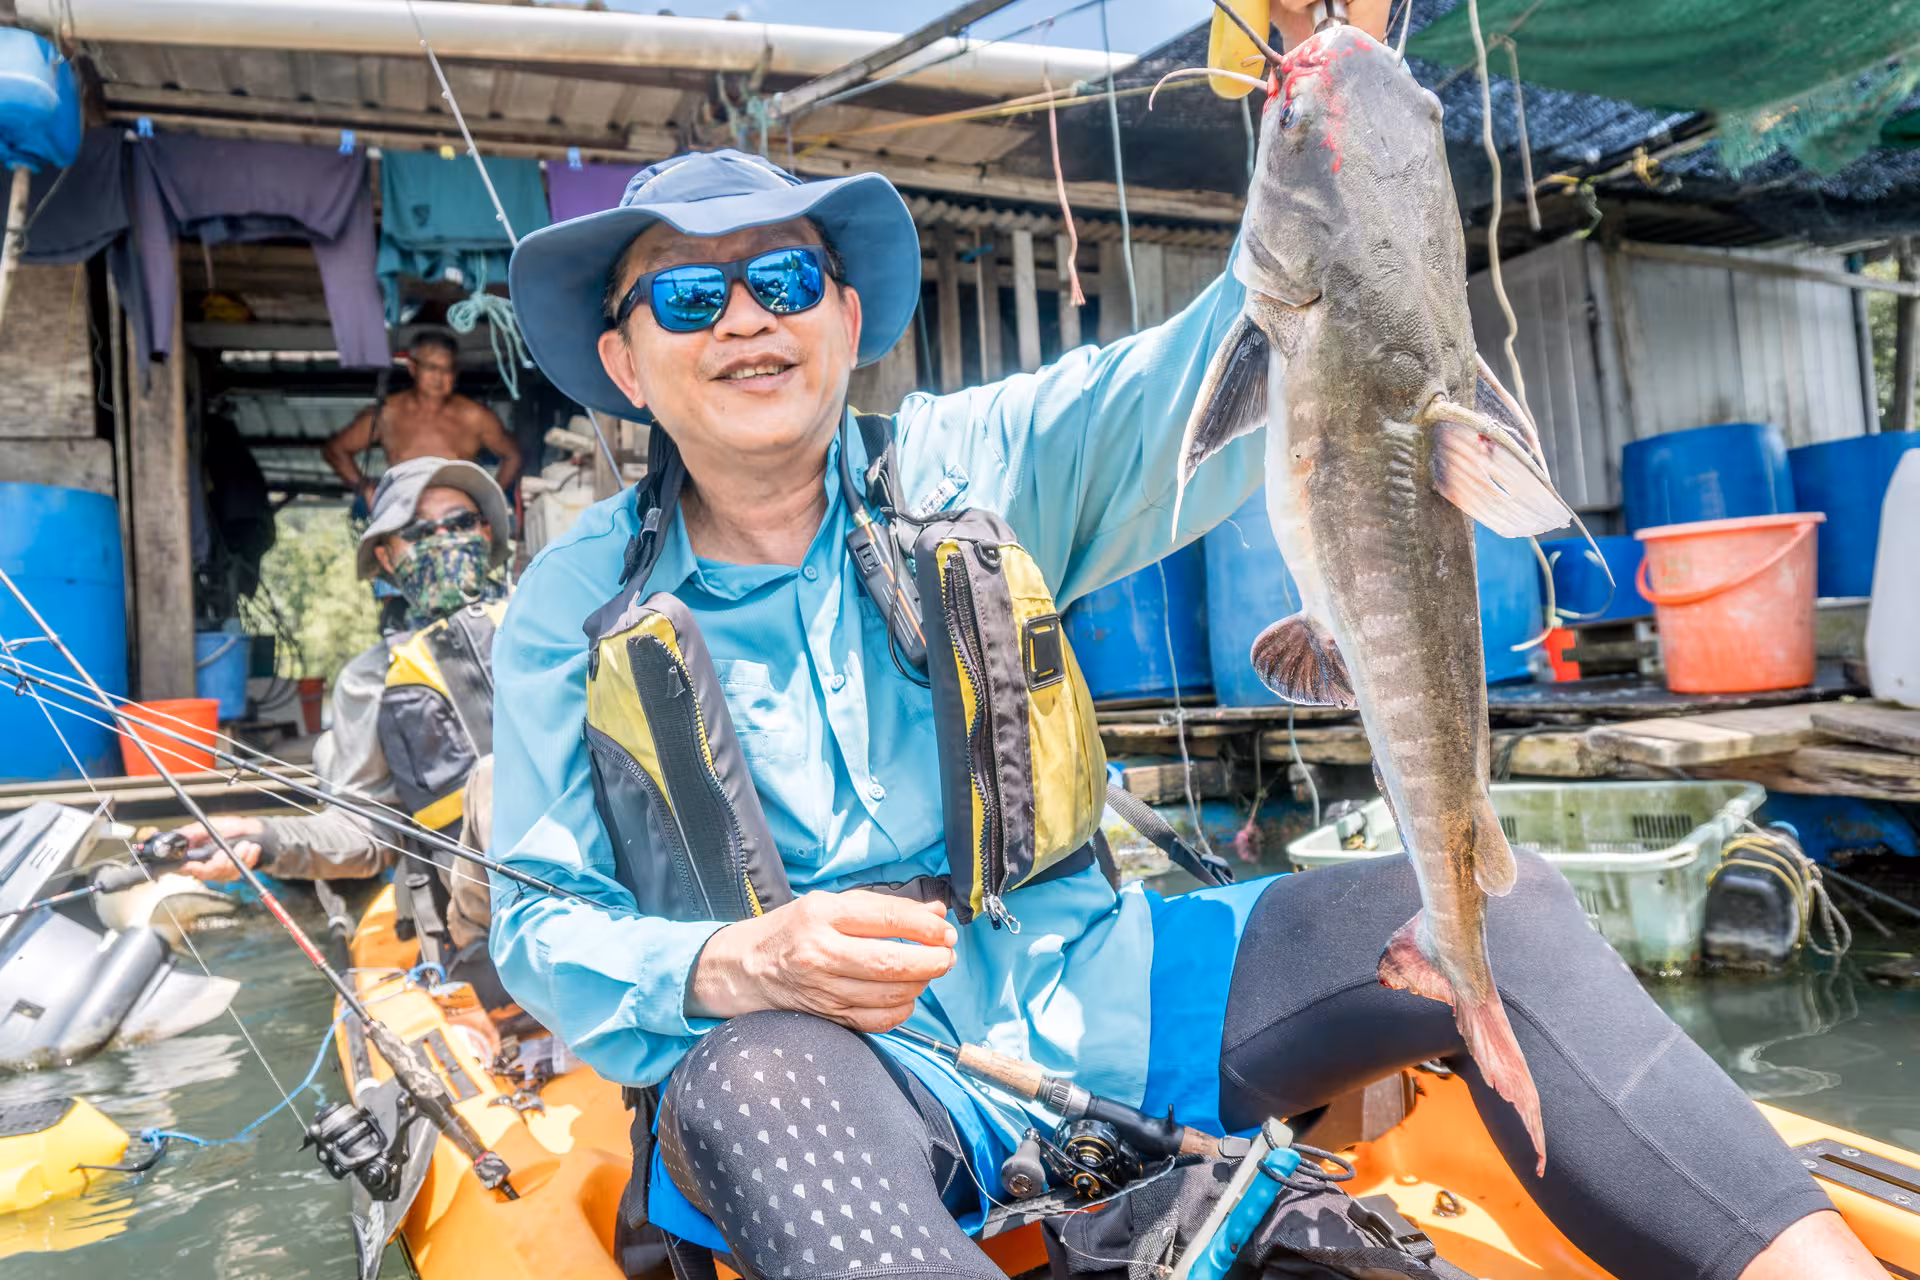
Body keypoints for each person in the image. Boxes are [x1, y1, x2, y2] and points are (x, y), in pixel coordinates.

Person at [488, 65, 1878, 1280]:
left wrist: (1335, 94)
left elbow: (1259, 318)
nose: (744, 319)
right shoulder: (573, 600)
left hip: (1113, 990)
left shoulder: (974, 464)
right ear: (624, 360)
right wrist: (742, 959)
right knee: (747, 1086)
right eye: (686, 293)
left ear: (845, 320)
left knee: (1503, 919)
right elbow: (544, 925)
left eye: (783, 279)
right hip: (834, 1068)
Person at [176, 457, 515, 1005]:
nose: (444, 541)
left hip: (609, 896)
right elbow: (364, 836)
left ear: (488, 532)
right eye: (418, 532)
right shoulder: (368, 681)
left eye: (460, 523)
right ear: (386, 555)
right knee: (493, 779)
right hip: (494, 934)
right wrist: (263, 839)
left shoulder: (551, 620)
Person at [322, 330, 524, 509]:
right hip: (404, 513)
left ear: (455, 373)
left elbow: (512, 455)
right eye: (431, 368)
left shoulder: (476, 416)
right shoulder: (388, 413)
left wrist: (489, 500)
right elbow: (336, 450)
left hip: (458, 513)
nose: (438, 377)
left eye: (446, 370)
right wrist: (364, 488)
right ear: (413, 367)